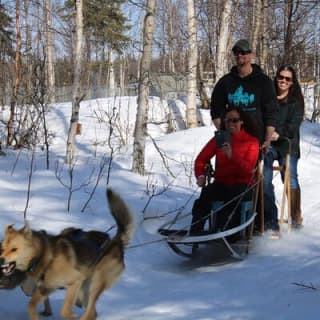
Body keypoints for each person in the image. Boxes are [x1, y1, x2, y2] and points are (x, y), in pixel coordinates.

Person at [190, 107, 260, 235]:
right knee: (206, 194)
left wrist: (232, 155)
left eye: (235, 120)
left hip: (242, 185)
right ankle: (195, 231)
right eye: (227, 121)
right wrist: (200, 175)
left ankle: (226, 232)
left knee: (232, 198)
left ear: (241, 122)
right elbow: (200, 159)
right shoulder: (220, 139)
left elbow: (248, 170)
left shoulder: (251, 142)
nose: (231, 124)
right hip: (222, 183)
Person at [210, 39, 279, 150]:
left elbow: (271, 111)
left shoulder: (264, 81)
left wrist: (268, 138)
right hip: (231, 140)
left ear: (251, 54)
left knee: (249, 167)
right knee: (224, 166)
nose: (239, 55)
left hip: (255, 139)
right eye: (236, 52)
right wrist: (223, 134)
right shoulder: (225, 82)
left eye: (243, 52)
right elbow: (216, 110)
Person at [263, 65, 304, 232]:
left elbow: (293, 125)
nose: (283, 81)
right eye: (281, 77)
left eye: (287, 79)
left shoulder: (296, 102)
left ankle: (295, 217)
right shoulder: (269, 97)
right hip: (270, 144)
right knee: (264, 179)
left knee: (290, 179)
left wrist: (279, 133)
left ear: (292, 82)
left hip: (288, 144)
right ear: (276, 77)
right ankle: (269, 218)